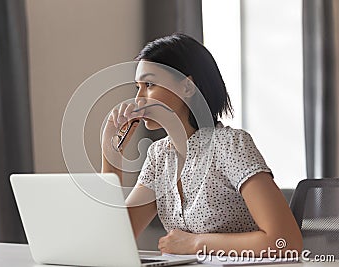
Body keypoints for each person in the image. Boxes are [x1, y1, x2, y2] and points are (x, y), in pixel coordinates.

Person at [101, 33, 302, 257]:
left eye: (149, 84)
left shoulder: (231, 145)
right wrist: (111, 156)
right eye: (137, 87)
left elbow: (286, 241)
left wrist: (196, 244)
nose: (139, 98)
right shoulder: (159, 156)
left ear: (187, 87)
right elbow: (114, 240)